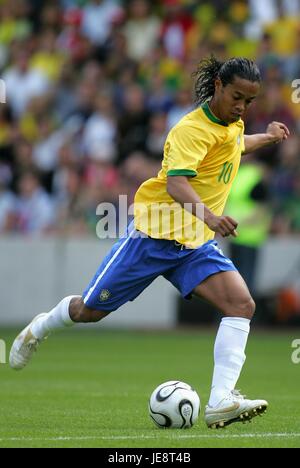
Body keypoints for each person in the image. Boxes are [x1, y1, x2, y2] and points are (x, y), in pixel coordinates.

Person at [10, 56, 290, 429]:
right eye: (237, 96)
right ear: (219, 86)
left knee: (241, 304)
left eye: (249, 101)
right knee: (89, 311)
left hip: (193, 245)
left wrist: (267, 137)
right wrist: (210, 216)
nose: (242, 106)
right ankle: (40, 327)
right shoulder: (190, 130)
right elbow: (176, 183)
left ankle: (221, 399)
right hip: (152, 237)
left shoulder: (232, 125)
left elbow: (235, 145)